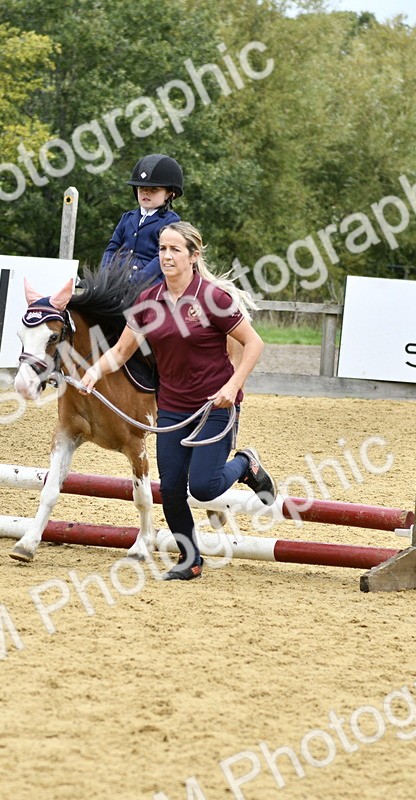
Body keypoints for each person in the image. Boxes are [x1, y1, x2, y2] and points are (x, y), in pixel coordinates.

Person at [81, 221, 277, 581]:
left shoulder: (212, 298)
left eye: (174, 250)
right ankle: (191, 559)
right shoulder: (148, 301)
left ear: (193, 256)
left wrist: (233, 386)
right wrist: (94, 372)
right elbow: (122, 352)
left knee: (203, 486)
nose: (166, 256)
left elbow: (254, 344)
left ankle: (246, 464)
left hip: (214, 407)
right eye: (162, 249)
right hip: (171, 407)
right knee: (170, 489)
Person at [100, 154, 183, 285]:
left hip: (149, 283)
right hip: (117, 281)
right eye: (141, 188)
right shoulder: (127, 218)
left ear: (169, 194)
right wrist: (105, 275)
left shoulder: (171, 222)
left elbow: (160, 258)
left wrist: (135, 282)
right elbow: (112, 248)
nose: (146, 192)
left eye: (154, 189)